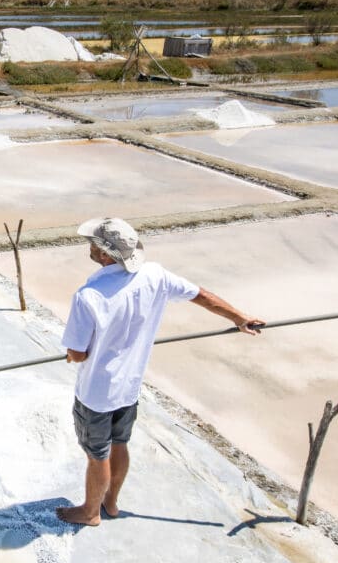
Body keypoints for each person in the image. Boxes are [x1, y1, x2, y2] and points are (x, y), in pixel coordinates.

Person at [56, 217, 264, 527]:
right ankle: (111, 502)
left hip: (96, 395)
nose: (88, 247)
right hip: (129, 388)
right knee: (119, 444)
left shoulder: (89, 296)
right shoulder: (155, 275)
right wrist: (239, 317)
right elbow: (201, 295)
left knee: (97, 454)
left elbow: (77, 352)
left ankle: (90, 512)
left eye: (92, 244)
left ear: (103, 255)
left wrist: (73, 356)